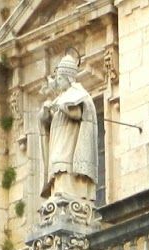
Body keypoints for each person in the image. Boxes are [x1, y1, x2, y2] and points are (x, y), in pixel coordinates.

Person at [39, 52, 99, 200]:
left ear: (68, 78)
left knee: (63, 162)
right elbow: (49, 121)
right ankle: (57, 192)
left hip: (69, 141)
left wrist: (60, 105)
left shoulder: (78, 93)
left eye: (60, 78)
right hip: (59, 138)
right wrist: (45, 114)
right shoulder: (61, 97)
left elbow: (77, 114)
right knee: (56, 163)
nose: (57, 82)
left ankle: (67, 192)